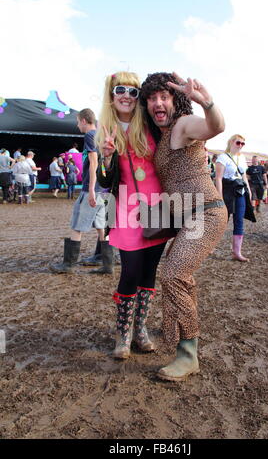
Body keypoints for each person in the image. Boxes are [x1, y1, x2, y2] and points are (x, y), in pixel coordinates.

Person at [140, 72, 227, 382]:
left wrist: (207, 102)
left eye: (164, 96)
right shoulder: (162, 135)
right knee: (180, 276)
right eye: (151, 98)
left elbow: (216, 127)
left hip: (206, 213)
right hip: (184, 218)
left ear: (175, 99)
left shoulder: (183, 124)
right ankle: (176, 333)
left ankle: (188, 355)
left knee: (175, 272)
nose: (157, 103)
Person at [96, 71, 171, 360]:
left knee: (149, 272)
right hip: (126, 211)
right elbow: (104, 182)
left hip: (156, 208)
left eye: (132, 91)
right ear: (112, 95)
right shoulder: (105, 130)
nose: (127, 95)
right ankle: (123, 333)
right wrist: (106, 157)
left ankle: (141, 330)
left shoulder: (151, 125)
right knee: (129, 271)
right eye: (120, 90)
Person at [49, 108, 107, 274]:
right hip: (102, 188)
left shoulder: (90, 135)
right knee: (101, 226)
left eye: (77, 121)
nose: (77, 125)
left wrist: (90, 189)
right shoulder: (101, 136)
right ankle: (106, 262)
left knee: (76, 225)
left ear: (83, 120)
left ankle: (68, 265)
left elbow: (94, 162)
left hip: (92, 187)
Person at [215, 134, 253, 263]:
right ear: (231, 142)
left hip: (240, 191)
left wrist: (248, 190)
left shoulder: (242, 158)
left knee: (239, 221)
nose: (240, 145)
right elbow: (218, 178)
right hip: (227, 191)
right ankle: (208, 246)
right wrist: (219, 196)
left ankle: (237, 252)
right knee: (221, 220)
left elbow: (243, 176)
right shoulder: (223, 157)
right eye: (238, 143)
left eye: (243, 143)